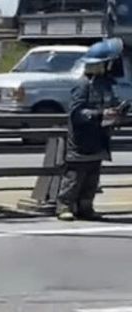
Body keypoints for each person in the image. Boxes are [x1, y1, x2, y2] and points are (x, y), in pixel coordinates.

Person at [59, 38, 126, 221]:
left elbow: (111, 104)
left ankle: (86, 207)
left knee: (92, 178)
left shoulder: (106, 85)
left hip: (99, 137)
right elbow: (77, 113)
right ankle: (65, 206)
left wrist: (118, 110)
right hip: (82, 139)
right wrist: (99, 114)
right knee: (75, 176)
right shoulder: (82, 85)